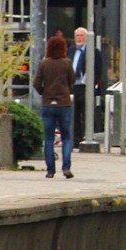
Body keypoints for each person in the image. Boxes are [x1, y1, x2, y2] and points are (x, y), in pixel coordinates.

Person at [33, 32, 74, 179]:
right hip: (63, 103)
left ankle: (50, 170)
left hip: (48, 103)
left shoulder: (43, 63)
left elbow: (36, 83)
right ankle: (66, 167)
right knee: (67, 137)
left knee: (49, 138)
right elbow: (72, 80)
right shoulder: (67, 63)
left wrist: (44, 93)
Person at [69, 27, 105, 141]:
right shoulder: (70, 50)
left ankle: (87, 137)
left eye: (81, 36)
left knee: (86, 113)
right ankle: (75, 138)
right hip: (73, 86)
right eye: (77, 36)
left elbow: (98, 70)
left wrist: (92, 84)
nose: (79, 38)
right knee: (74, 114)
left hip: (86, 86)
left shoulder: (93, 51)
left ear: (86, 38)